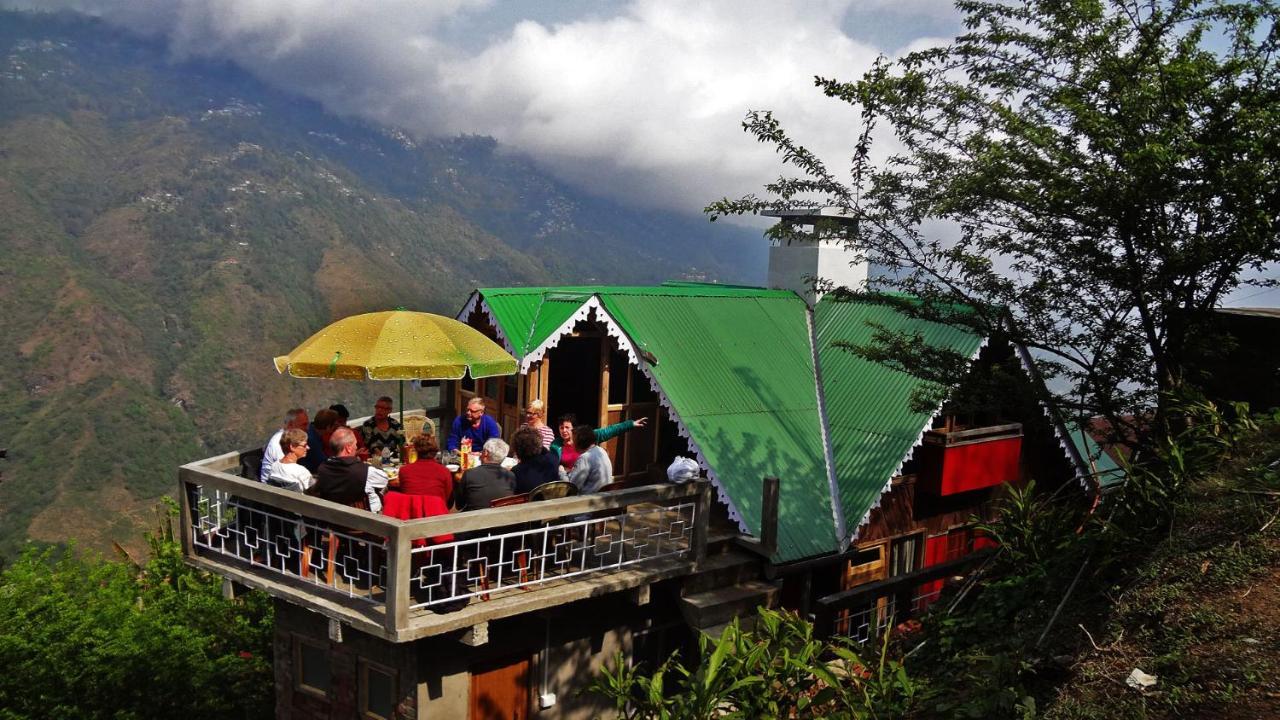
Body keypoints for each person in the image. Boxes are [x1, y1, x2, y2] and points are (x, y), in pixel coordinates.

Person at [309, 427, 389, 512]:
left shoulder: (323, 468)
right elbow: (384, 480)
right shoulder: (364, 472)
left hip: (334, 518)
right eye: (355, 444)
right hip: (365, 520)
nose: (356, 447)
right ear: (348, 448)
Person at [551, 413, 647, 471]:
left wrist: (630, 424)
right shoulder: (555, 445)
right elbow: (553, 464)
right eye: (561, 428)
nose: (564, 430)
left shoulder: (585, 437)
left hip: (585, 480)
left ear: (574, 428)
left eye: (567, 427)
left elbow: (608, 431)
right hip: (566, 481)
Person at [454, 438, 517, 511]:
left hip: (474, 520)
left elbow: (459, 505)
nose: (481, 453)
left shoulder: (470, 474)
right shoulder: (510, 476)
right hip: (501, 519)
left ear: (486, 453)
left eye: (482, 451)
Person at [395, 434, 452, 504]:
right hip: (437, 511)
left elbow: (404, 492)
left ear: (416, 450)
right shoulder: (444, 471)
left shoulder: (404, 470)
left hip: (412, 512)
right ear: (435, 451)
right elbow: (447, 497)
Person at [511, 426, 565, 494]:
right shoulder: (552, 459)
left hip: (531, 503)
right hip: (552, 500)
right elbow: (545, 451)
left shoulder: (517, 471)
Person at [259, 408, 308, 481]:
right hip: (271, 487)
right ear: (291, 424)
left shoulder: (289, 439)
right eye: (304, 424)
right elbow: (283, 474)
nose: (307, 428)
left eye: (307, 424)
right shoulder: (279, 444)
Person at [568, 425, 613, 494]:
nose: (571, 443)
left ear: (579, 442)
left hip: (590, 501)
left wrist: (561, 472)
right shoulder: (601, 450)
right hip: (605, 497)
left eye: (572, 440)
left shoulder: (585, 458)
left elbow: (572, 486)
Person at [300, 408, 339, 473]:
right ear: (328, 426)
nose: (337, 426)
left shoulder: (311, 429)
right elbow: (324, 463)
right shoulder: (312, 440)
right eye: (335, 425)